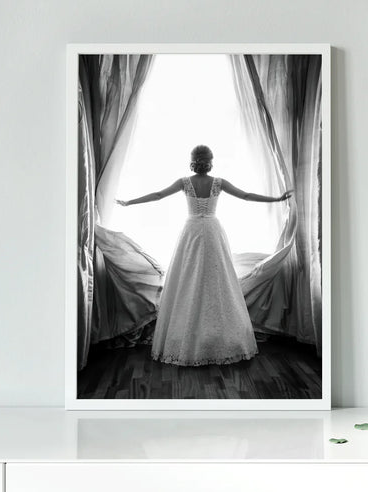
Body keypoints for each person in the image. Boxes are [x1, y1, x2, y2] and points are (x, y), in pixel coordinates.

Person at [116, 145, 293, 366]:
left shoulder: (184, 182)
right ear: (210, 161)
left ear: (193, 161)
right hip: (211, 230)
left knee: (189, 279)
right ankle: (215, 335)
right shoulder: (218, 182)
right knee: (216, 280)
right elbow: (246, 196)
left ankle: (190, 335)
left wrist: (130, 202)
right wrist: (275, 199)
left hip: (191, 232)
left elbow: (158, 195)